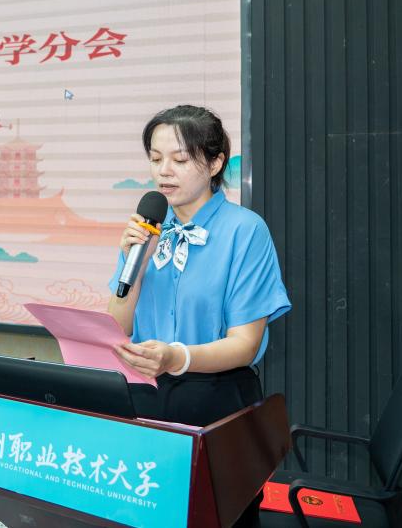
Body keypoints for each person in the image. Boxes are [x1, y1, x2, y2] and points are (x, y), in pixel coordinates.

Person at [107, 105, 291, 527]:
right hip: (145, 396)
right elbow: (117, 327)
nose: (163, 171)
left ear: (214, 163)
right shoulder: (147, 230)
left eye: (179, 159)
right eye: (155, 158)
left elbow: (244, 345)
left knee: (217, 516)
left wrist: (177, 358)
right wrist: (136, 263)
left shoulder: (245, 231)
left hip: (218, 401)